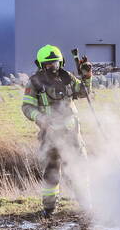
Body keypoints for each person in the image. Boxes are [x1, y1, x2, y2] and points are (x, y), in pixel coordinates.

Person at [21, 44, 92, 217]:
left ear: (61, 62)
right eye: (49, 64)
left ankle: (86, 206)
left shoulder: (68, 77)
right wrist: (41, 119)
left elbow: (84, 93)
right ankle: (49, 208)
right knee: (51, 172)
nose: (53, 67)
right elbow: (27, 107)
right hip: (50, 134)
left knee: (79, 168)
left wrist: (87, 76)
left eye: (56, 63)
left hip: (72, 134)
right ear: (41, 64)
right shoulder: (35, 82)